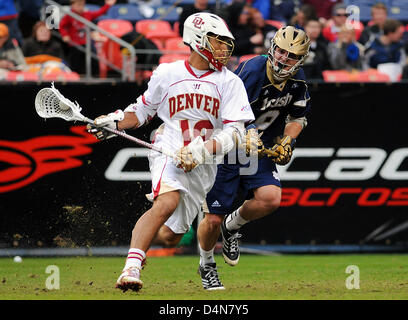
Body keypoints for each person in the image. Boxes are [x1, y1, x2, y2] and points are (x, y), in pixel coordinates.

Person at [87, 12, 255, 292]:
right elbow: (142, 111)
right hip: (169, 147)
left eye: (227, 43)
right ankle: (131, 267)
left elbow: (235, 132)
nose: (225, 48)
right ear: (198, 39)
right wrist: (115, 121)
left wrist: (200, 152)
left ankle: (149, 240)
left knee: (170, 237)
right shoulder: (168, 73)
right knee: (165, 203)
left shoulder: (230, 82)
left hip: (204, 163)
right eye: (218, 41)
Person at [197, 26, 311, 290]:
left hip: (256, 149)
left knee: (270, 198)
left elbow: (297, 117)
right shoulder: (253, 70)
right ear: (272, 48)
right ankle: (206, 264)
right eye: (281, 51)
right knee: (211, 217)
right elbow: (228, 110)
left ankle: (232, 226)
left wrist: (287, 140)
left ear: (301, 60)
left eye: (291, 55)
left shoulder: (299, 80)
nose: (283, 58)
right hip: (227, 145)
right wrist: (246, 131)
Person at [59, 0, 116, 74]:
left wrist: (108, 5)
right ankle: (75, 77)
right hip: (75, 43)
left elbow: (100, 12)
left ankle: (95, 76)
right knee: (75, 62)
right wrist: (65, 35)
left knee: (94, 59)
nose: (81, 7)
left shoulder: (87, 14)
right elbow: (62, 26)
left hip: (86, 42)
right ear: (72, 5)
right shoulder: (69, 16)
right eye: (78, 5)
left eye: (82, 5)